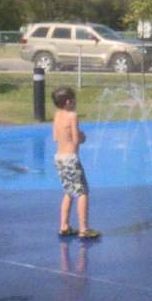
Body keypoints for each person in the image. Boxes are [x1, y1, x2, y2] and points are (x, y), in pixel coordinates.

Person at [51, 87, 100, 239]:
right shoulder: (73, 116)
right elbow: (76, 138)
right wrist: (82, 136)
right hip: (71, 158)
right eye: (74, 100)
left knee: (68, 191)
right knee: (83, 192)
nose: (75, 103)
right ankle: (84, 229)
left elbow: (55, 137)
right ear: (68, 102)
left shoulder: (57, 115)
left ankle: (64, 226)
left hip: (59, 157)